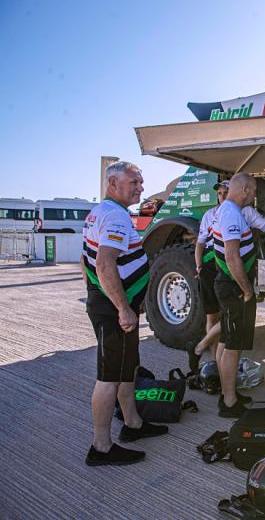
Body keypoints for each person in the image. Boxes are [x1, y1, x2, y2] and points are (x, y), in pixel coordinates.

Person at [81, 161, 167, 466]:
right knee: (109, 378)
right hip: (114, 310)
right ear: (113, 184)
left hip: (115, 305)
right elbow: (104, 264)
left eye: (140, 182)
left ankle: (133, 424)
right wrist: (121, 308)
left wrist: (119, 300)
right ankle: (101, 447)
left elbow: (85, 260)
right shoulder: (115, 216)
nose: (141, 188)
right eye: (134, 183)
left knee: (128, 368)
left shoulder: (100, 212)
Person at [190, 180, 265, 374]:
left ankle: (206, 352)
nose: (222, 196)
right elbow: (204, 243)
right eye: (219, 193)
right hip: (215, 269)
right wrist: (199, 265)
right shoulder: (213, 214)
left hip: (231, 271)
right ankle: (214, 363)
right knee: (214, 316)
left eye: (225, 192)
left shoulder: (245, 212)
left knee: (228, 320)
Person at [211, 173, 263, 417]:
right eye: (254, 191)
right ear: (245, 190)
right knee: (232, 346)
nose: (254, 195)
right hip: (234, 288)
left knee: (226, 341)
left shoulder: (227, 210)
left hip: (229, 286)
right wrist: (246, 289)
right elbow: (232, 256)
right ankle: (229, 403)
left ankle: (227, 393)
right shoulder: (231, 213)